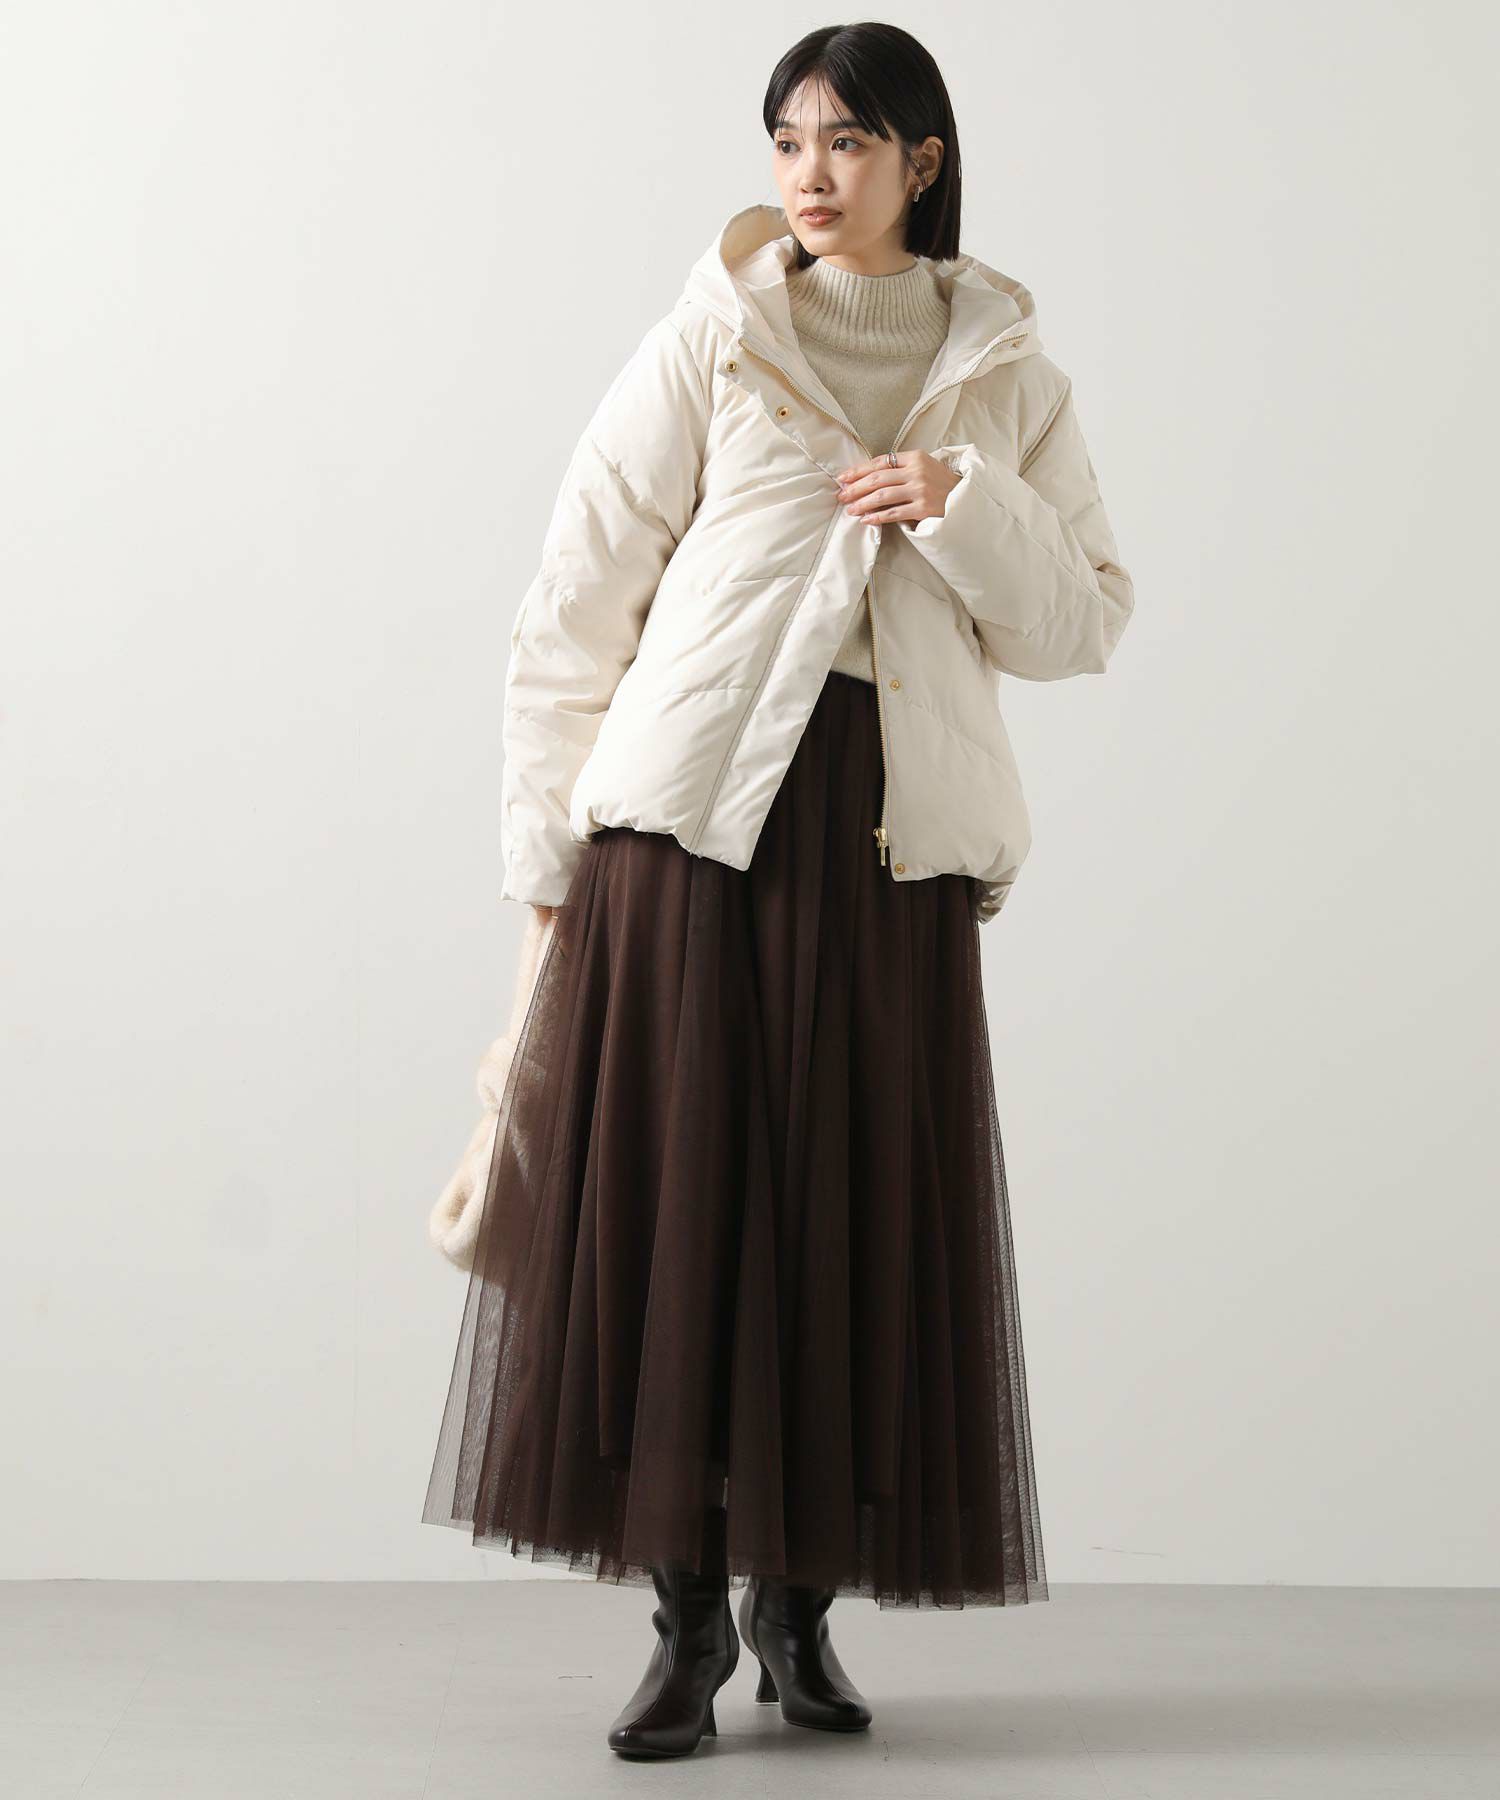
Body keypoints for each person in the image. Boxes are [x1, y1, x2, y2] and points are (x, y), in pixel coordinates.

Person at [423, 20, 1134, 1761]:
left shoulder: (1009, 373)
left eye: (849, 142)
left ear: (922, 161)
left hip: (889, 849)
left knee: (851, 1221)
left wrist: (960, 503)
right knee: (687, 1218)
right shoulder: (714, 338)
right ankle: (682, 1628)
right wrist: (545, 873)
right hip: (690, 844)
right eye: (789, 141)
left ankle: (798, 1619)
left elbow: (1084, 622)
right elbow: (572, 608)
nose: (812, 174)